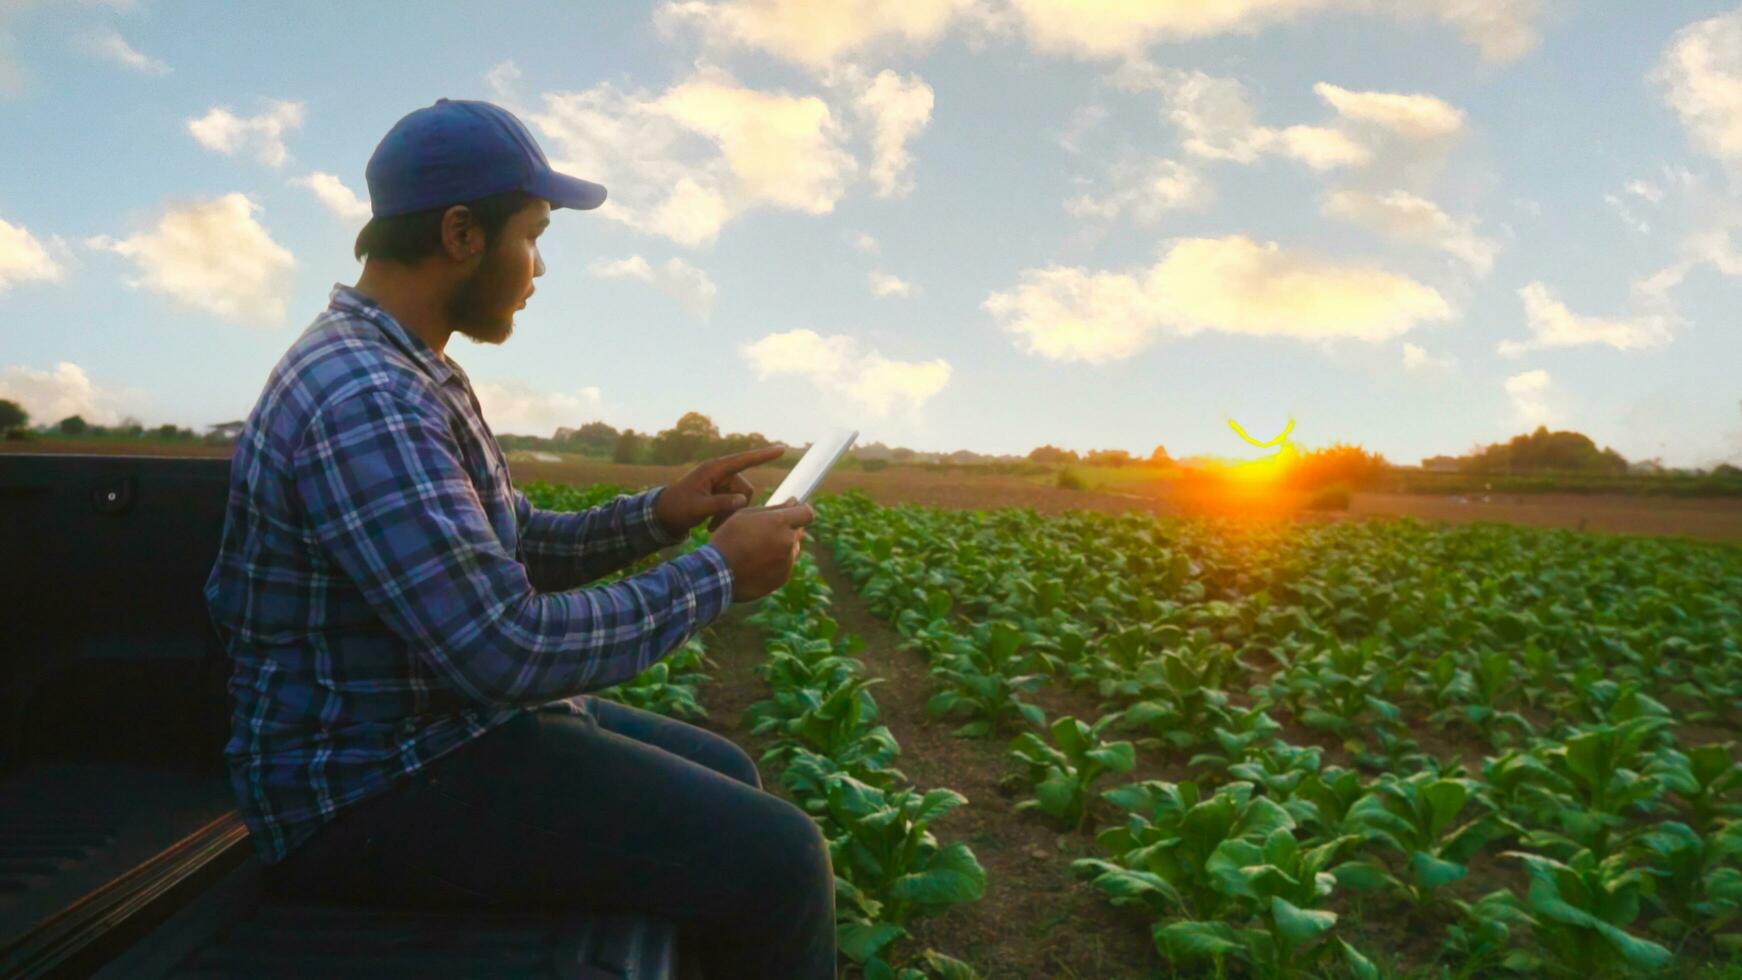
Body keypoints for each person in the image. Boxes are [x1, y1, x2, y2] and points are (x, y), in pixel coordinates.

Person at [202, 97, 835, 978]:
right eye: (534, 235)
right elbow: (503, 649)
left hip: (436, 732)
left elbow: (506, 541)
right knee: (782, 862)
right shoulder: (366, 397)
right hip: (365, 787)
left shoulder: (411, 365)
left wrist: (663, 511)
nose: (540, 267)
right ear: (462, 233)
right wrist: (717, 576)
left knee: (726, 768)